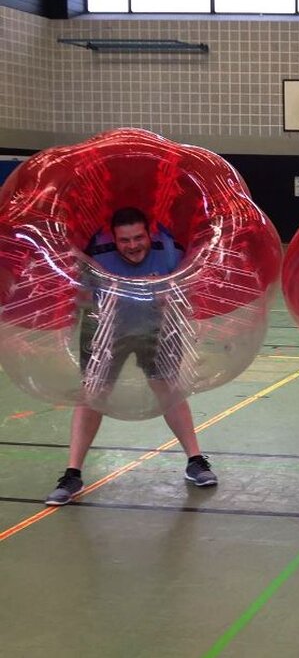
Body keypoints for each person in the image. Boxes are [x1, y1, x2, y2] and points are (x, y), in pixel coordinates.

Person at [45, 207, 217, 506]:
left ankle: (196, 461)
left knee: (168, 388)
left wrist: (170, 297)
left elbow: (189, 288)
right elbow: (77, 295)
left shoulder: (169, 249)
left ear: (149, 233)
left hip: (158, 326)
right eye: (125, 240)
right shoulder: (95, 252)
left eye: (139, 237)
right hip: (107, 327)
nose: (133, 245)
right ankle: (72, 473)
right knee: (93, 394)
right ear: (114, 237)